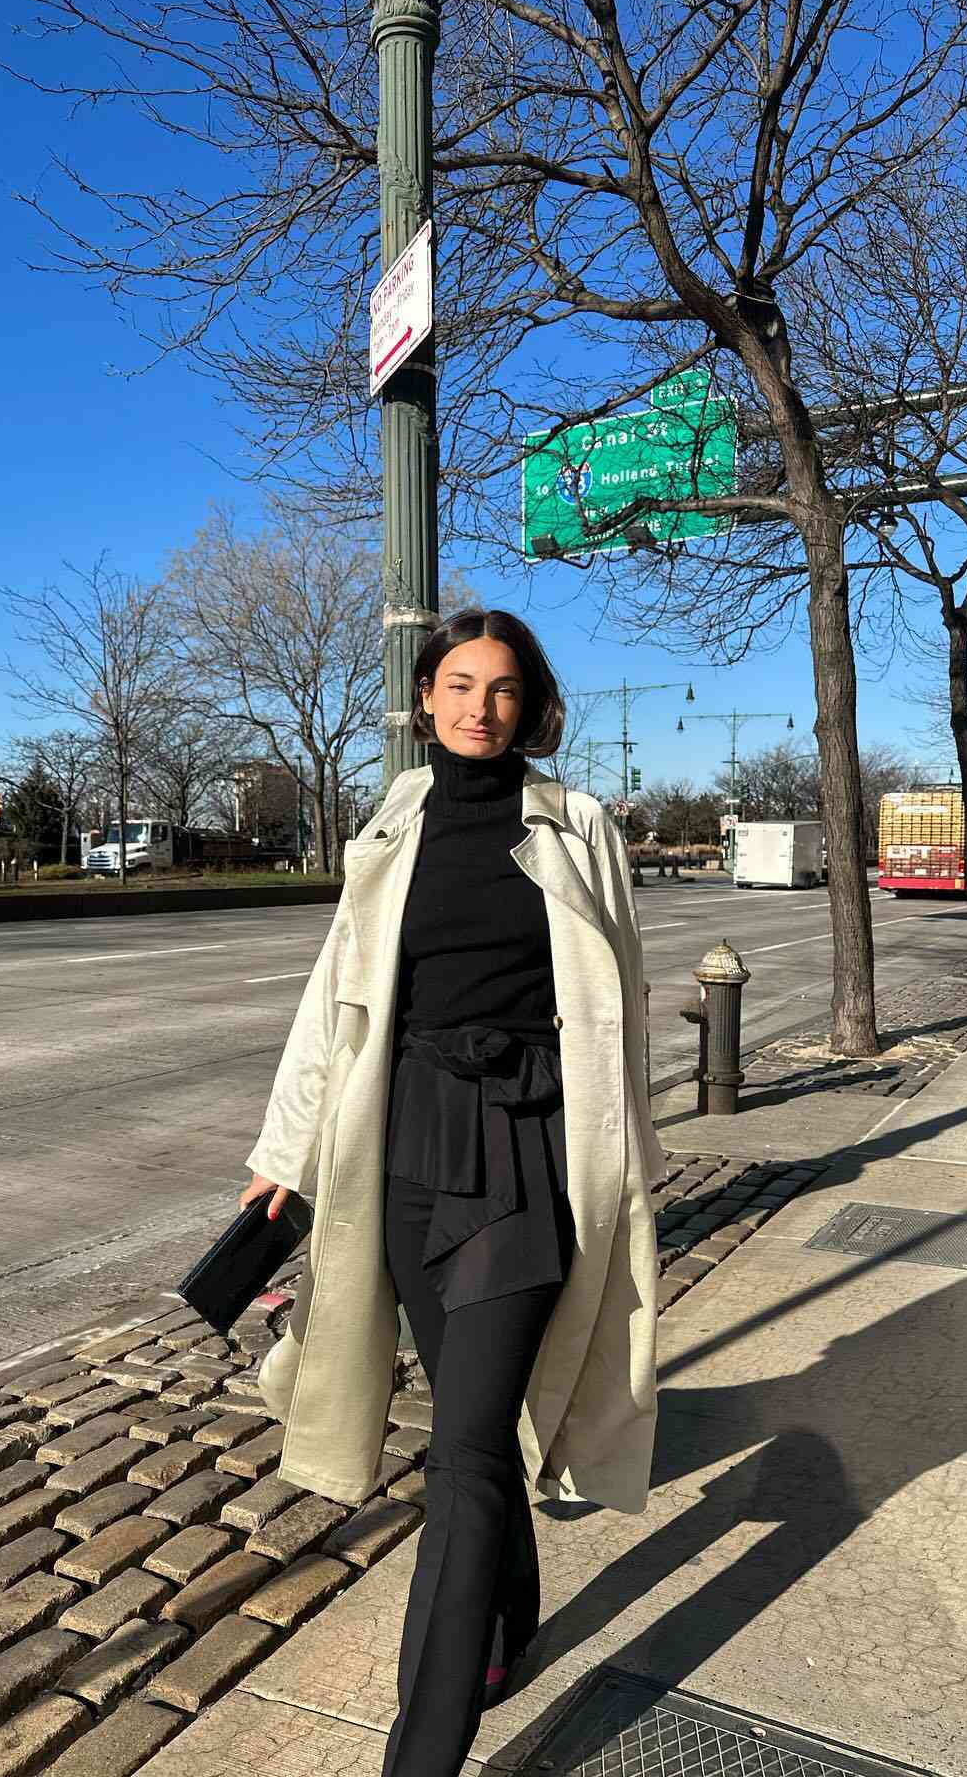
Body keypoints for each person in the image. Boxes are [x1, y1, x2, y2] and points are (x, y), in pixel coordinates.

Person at [238, 608, 664, 1777]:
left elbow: (620, 1012)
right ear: (425, 698)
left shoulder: (580, 829)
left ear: (533, 707)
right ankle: (508, 1623)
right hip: (405, 1153)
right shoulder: (392, 823)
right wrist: (286, 1152)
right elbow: (340, 1003)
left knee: (467, 1450)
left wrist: (627, 1170)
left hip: (528, 1153)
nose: (482, 707)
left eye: (507, 688)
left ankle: (420, 1754)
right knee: (466, 1418)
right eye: (461, 684)